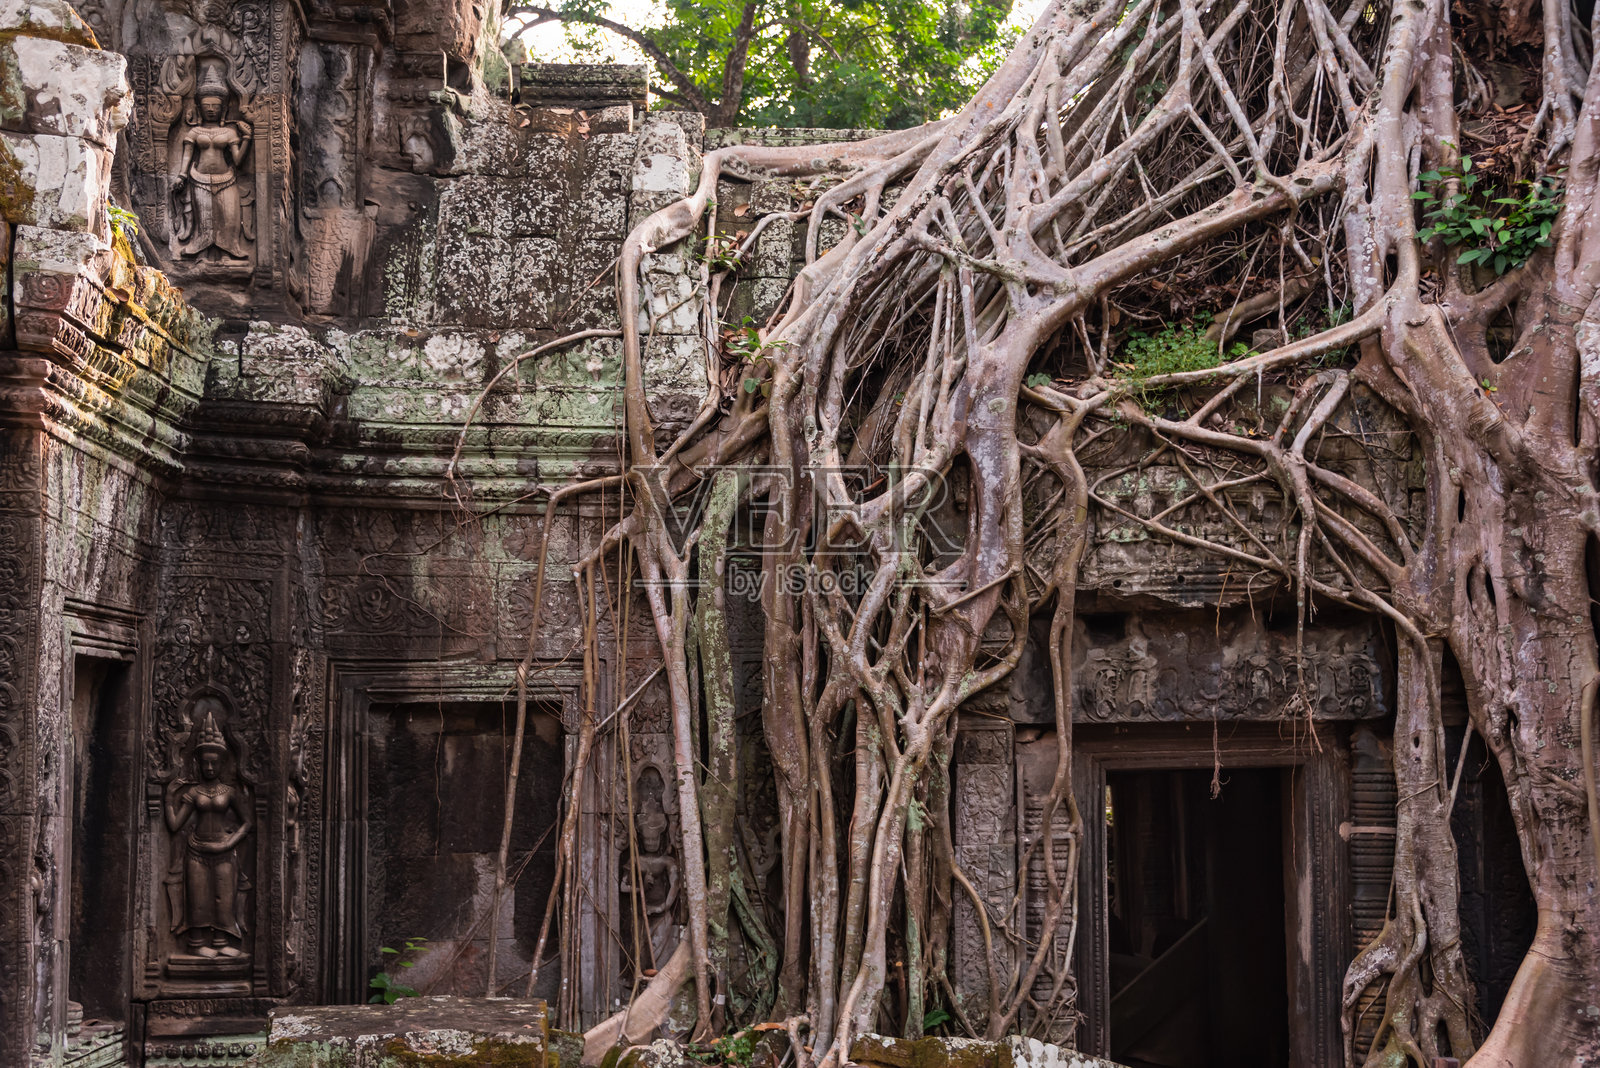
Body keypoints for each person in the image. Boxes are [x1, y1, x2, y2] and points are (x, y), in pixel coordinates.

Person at [164, 703, 252, 958]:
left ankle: (221, 940)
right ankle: (196, 942)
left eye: (214, 763)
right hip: (196, 852)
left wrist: (229, 843)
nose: (210, 768)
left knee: (224, 899)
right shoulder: (193, 792)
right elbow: (174, 825)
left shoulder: (230, 792)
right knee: (198, 900)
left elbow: (248, 822)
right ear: (199, 763)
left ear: (222, 763)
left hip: (224, 851)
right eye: (205, 763)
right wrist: (170, 797)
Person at [171, 68, 252, 264]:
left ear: (223, 109)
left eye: (215, 106)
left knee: (228, 219)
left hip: (227, 179)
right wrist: (181, 176)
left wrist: (247, 138)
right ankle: (203, 255)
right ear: (199, 107)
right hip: (199, 179)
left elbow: (239, 161)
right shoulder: (195, 131)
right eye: (206, 106)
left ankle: (226, 254)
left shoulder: (230, 132)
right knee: (204, 220)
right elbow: (187, 157)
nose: (210, 110)